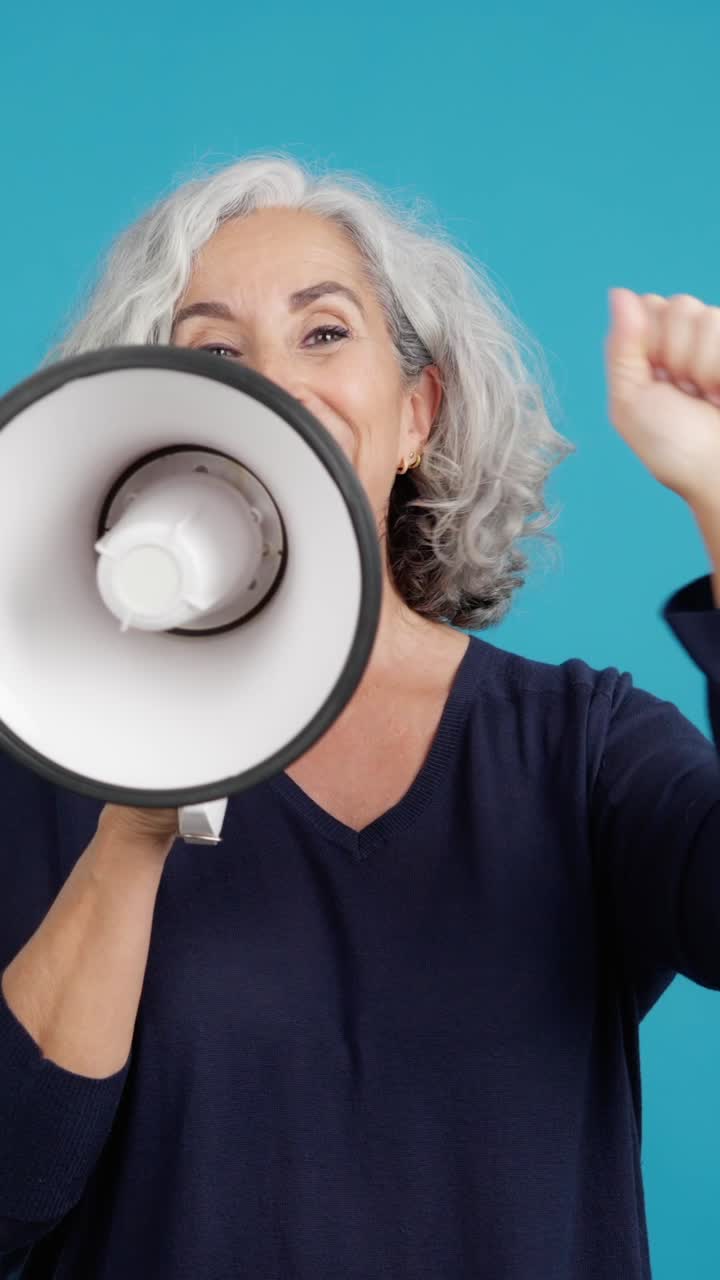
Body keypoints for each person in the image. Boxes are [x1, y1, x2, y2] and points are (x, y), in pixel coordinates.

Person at [1, 153, 719, 1280]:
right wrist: (132, 829)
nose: (270, 383)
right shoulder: (51, 763)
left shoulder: (578, 750)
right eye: (214, 354)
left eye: (324, 333)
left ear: (416, 415)